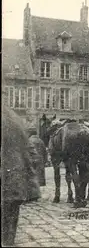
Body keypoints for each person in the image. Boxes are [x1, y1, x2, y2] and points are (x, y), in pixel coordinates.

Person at [1, 103, 41, 247]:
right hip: (15, 177)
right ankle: (8, 241)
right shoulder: (15, 119)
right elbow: (32, 154)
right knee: (11, 211)